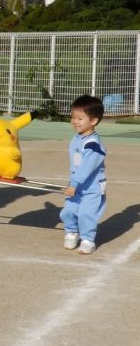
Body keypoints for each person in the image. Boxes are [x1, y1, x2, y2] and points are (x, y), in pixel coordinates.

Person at [61, 95, 107, 255]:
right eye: (73, 117)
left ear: (93, 121)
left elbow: (87, 168)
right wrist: (73, 183)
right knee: (69, 210)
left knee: (87, 213)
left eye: (80, 118)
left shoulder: (93, 144)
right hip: (76, 184)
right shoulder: (77, 138)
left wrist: (74, 183)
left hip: (92, 186)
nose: (75, 121)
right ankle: (71, 232)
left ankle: (88, 239)